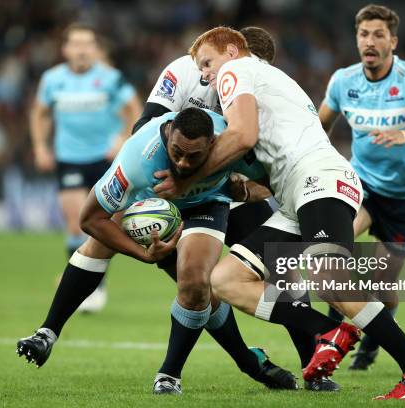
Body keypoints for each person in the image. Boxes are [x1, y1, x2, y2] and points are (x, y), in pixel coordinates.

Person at [155, 26, 405, 400]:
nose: (205, 74)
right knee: (226, 279)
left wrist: (185, 178)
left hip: (318, 179)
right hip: (296, 192)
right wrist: (238, 187)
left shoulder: (237, 71)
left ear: (230, 51)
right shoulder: (270, 80)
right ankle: (328, 331)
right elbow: (264, 166)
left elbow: (242, 135)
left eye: (207, 63)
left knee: (330, 279)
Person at [17, 108, 298, 395]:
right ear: (167, 134)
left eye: (194, 156)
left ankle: (170, 375)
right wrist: (144, 254)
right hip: (151, 202)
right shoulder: (138, 158)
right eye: (177, 152)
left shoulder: (232, 140)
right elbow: (90, 218)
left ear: (213, 145)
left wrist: (246, 190)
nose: (183, 162)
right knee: (99, 244)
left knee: (199, 281)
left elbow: (276, 181)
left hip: (208, 202)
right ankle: (46, 334)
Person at [133, 27, 336, 391]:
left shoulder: (253, 91)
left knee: (283, 268)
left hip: (229, 192)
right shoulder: (184, 71)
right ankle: (183, 371)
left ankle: (313, 368)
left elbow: (261, 160)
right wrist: (182, 177)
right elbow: (143, 129)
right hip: (183, 192)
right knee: (196, 283)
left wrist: (252, 187)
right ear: (233, 54)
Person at [319, 4, 405, 370]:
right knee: (332, 253)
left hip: (404, 198)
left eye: (378, 34)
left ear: (392, 41)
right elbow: (319, 128)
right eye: (364, 34)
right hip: (361, 185)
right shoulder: (342, 82)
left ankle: (375, 336)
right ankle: (330, 338)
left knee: (382, 285)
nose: (370, 41)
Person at [30, 22, 142, 312]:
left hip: (106, 159)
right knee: (75, 223)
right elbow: (40, 113)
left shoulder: (111, 79)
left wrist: (123, 138)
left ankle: (95, 286)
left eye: (87, 43)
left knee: (103, 225)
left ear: (95, 49)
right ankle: (87, 289)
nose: (81, 49)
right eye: (76, 44)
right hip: (69, 157)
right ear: (66, 49)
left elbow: (136, 111)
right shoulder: (52, 79)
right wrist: (41, 146)